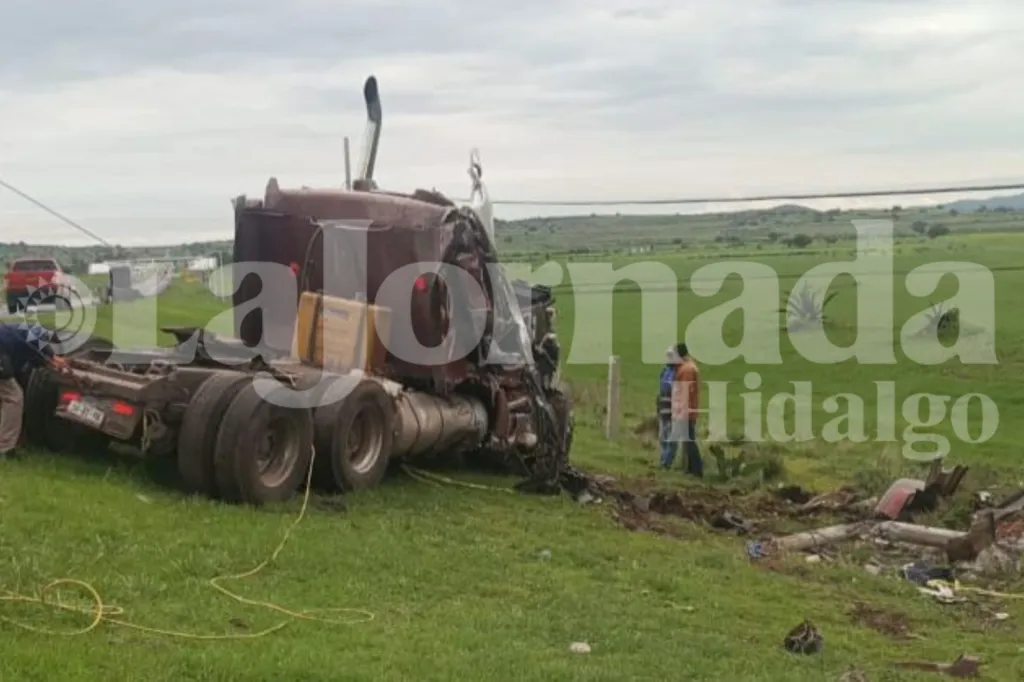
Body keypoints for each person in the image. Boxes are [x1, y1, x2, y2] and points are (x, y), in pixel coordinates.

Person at [0, 323, 70, 459]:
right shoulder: (36, 330)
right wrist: (53, 356)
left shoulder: (23, 344)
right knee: (14, 398)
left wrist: (51, 363)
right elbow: (35, 338)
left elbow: (35, 358)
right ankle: (4, 449)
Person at [656, 342, 703, 477]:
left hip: (684, 411)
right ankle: (692, 469)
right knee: (688, 441)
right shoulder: (686, 367)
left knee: (687, 442)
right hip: (685, 410)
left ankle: (696, 469)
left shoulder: (686, 370)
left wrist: (680, 413)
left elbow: (683, 393)